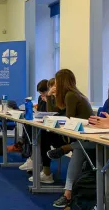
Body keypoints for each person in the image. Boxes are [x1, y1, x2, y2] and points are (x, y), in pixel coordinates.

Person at [41, 69, 93, 208]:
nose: (55, 84)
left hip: (85, 136)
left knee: (46, 136)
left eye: (57, 81)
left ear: (62, 81)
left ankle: (67, 193)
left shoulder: (71, 95)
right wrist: (51, 96)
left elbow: (68, 118)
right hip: (80, 136)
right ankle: (67, 193)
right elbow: (53, 112)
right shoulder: (70, 94)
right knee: (77, 150)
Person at [17, 79, 49, 171]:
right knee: (27, 126)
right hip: (40, 121)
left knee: (38, 136)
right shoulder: (40, 98)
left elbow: (50, 112)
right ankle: (31, 157)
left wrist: (48, 101)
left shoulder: (51, 98)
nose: (42, 95)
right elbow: (41, 112)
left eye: (43, 93)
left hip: (47, 125)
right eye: (40, 93)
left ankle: (34, 159)